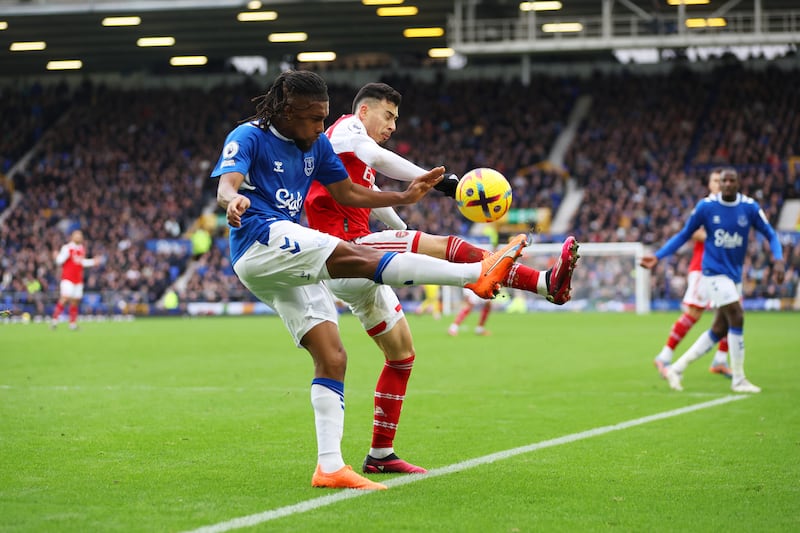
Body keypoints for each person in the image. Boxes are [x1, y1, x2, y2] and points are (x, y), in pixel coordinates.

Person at [211, 70, 529, 491]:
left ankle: (330, 467)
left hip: (283, 260)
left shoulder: (317, 143)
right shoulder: (248, 136)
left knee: (333, 355)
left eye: (325, 117)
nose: (321, 128)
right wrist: (233, 200)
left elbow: (349, 193)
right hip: (259, 238)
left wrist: (403, 196)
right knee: (359, 256)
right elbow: (226, 187)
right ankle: (474, 275)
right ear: (287, 112)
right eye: (312, 119)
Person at [304, 82, 579, 475]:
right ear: (364, 112)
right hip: (348, 250)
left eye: (396, 119)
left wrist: (403, 228)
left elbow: (373, 197)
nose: (393, 125)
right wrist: (448, 184)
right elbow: (377, 156)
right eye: (389, 115)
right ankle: (545, 283)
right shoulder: (348, 128)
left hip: (355, 260)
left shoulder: (347, 159)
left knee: (401, 356)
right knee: (444, 245)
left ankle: (380, 455)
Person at [640, 168, 785, 393]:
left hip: (734, 275)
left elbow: (771, 234)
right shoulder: (706, 207)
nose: (726, 184)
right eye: (722, 180)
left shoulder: (749, 207)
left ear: (738, 183)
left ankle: (676, 368)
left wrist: (778, 259)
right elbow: (684, 234)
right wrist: (658, 256)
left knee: (719, 328)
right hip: (712, 273)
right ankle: (739, 378)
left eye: (730, 180)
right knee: (737, 314)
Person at [652, 170, 730, 379]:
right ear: (710, 184)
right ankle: (665, 356)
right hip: (702, 269)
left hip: (722, 270)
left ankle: (721, 360)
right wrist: (716, 236)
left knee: (731, 312)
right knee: (694, 315)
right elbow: (692, 232)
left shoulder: (731, 208)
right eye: (715, 180)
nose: (720, 184)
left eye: (722, 180)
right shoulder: (705, 206)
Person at [51, 229, 102, 330]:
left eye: (80, 236)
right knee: (65, 298)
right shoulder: (67, 248)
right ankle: (54, 321)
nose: (79, 237)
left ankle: (72, 324)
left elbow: (81, 262)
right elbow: (60, 261)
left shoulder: (81, 248)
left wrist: (93, 262)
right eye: (77, 235)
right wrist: (56, 257)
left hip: (78, 279)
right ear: (72, 237)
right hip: (68, 278)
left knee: (75, 301)